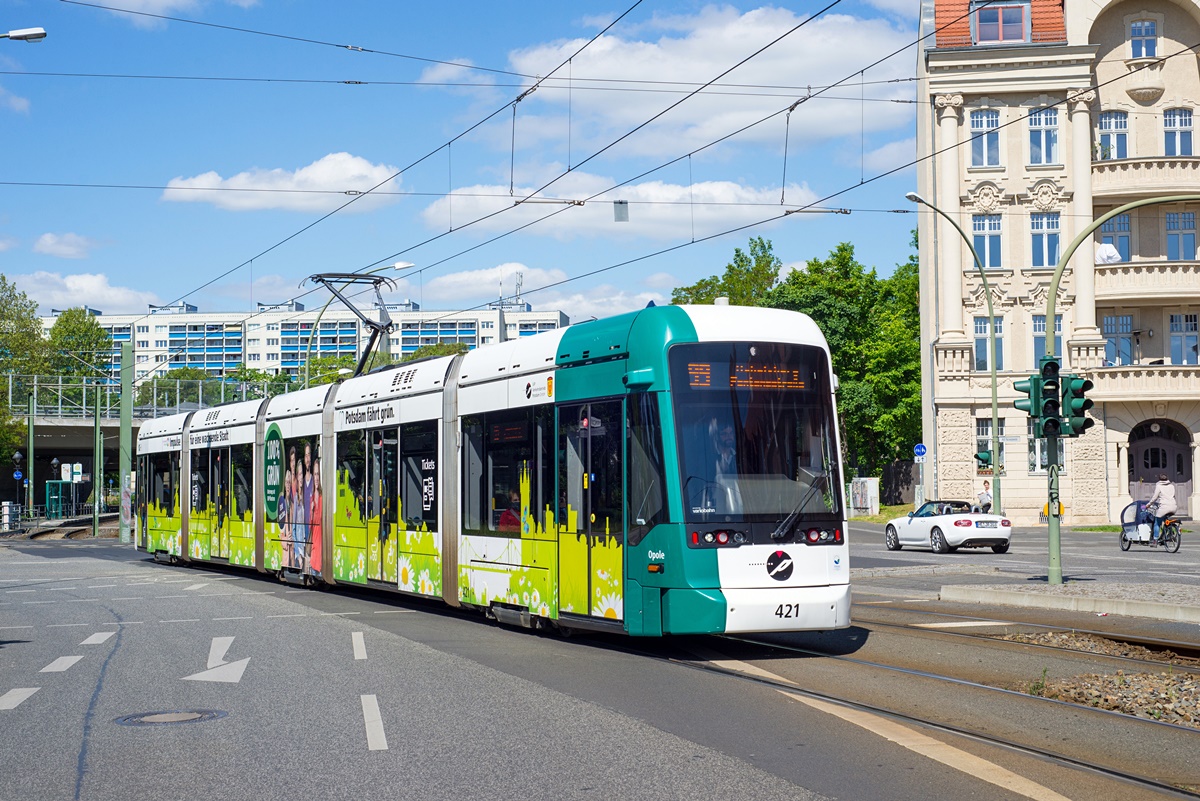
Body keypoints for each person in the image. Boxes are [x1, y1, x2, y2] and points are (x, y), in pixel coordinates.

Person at [1146, 473, 1177, 542]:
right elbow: (1173, 496)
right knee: (1165, 519)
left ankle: (1155, 539)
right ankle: (1170, 533)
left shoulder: (1159, 486)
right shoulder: (1172, 486)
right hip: (1173, 506)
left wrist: (1148, 504)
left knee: (1157, 522)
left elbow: (1154, 497)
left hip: (1164, 507)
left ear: (1159, 479)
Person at [309, 457, 323, 576]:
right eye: (315, 474)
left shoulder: (323, 499)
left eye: (318, 474)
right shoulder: (312, 499)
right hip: (315, 546)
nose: (316, 478)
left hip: (321, 544)